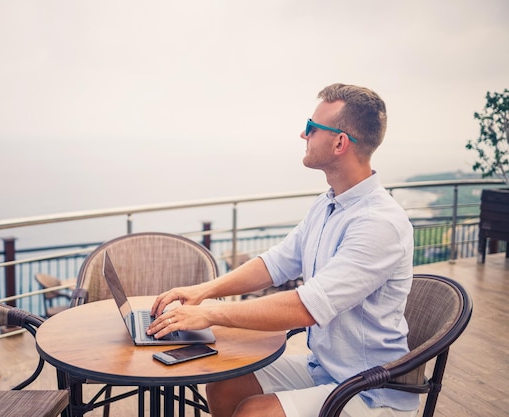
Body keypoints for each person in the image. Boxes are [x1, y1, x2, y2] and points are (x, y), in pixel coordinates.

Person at [147, 83, 419, 417]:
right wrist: (203, 291)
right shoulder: (327, 205)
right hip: (324, 369)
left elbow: (307, 307)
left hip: (369, 388)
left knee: (255, 413)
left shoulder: (379, 224)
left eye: (311, 128)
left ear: (339, 142)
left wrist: (211, 313)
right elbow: (276, 264)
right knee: (224, 384)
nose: (303, 135)